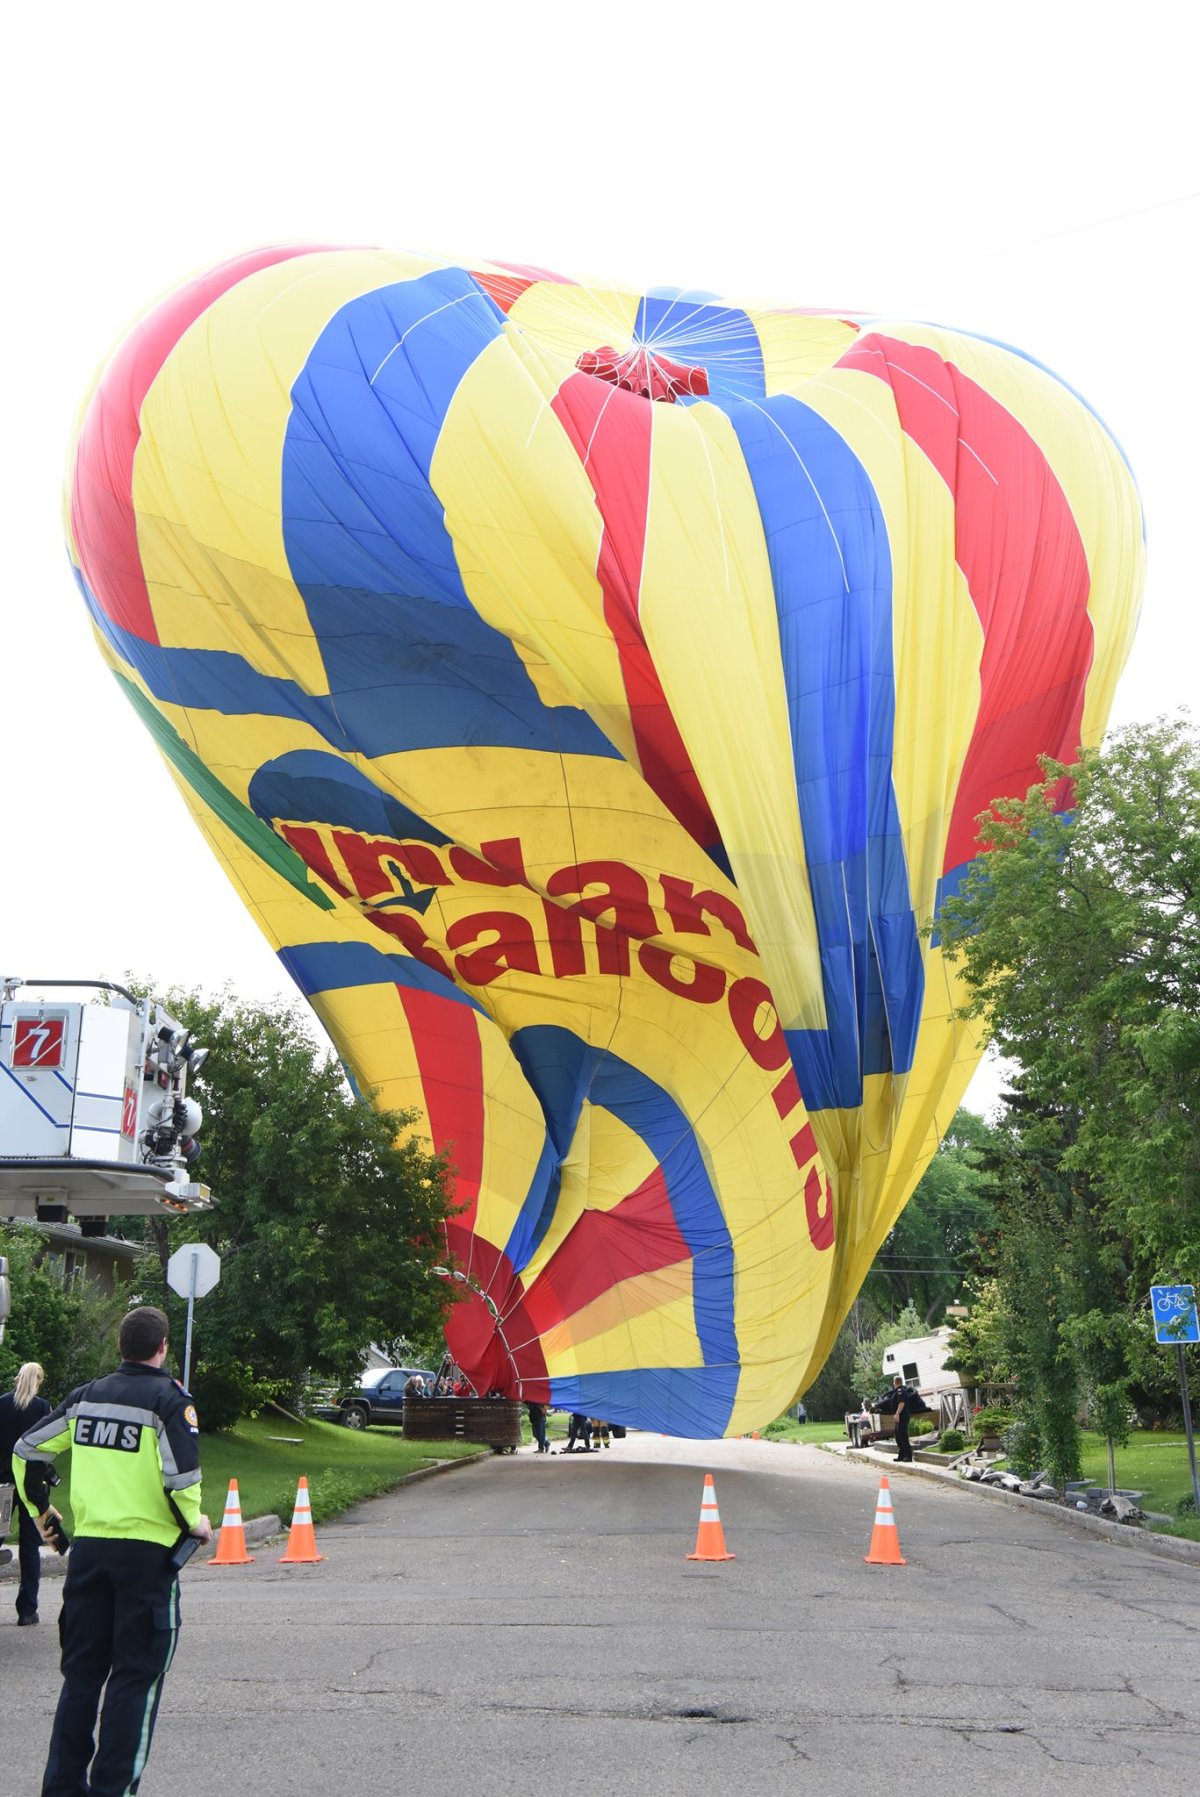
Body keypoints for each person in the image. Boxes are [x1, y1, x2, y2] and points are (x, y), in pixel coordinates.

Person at [14, 1305, 212, 1797]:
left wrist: (44, 1515)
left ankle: (61, 1789)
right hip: (146, 1560)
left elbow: (26, 1451)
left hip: (90, 1556)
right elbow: (182, 1478)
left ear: (120, 1346)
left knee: (81, 1677)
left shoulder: (87, 1398)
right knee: (134, 1681)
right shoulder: (171, 1401)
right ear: (163, 1347)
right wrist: (196, 1524)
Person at [1, 1361, 51, 1625]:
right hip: (31, 1486)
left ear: (17, 1378)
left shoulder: (2, 1404)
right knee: (30, 1546)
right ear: (38, 1380)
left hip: (3, 1484)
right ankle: (27, 1610)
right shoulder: (42, 1408)